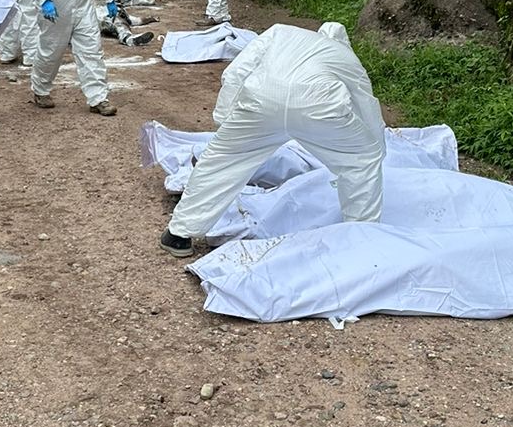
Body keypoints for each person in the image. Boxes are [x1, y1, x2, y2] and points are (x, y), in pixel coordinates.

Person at [160, 22, 386, 257]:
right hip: (319, 108)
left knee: (222, 161)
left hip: (261, 100)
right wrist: (376, 148)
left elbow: (237, 71)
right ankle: (361, 240)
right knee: (361, 160)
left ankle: (178, 234)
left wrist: (225, 122)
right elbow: (365, 104)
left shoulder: (280, 32)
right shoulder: (344, 56)